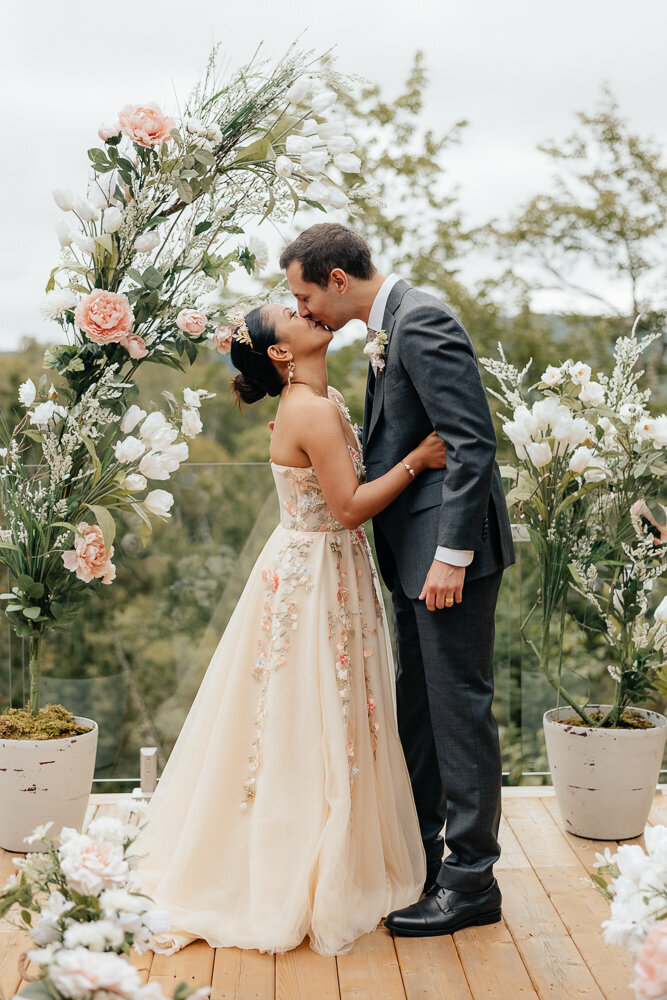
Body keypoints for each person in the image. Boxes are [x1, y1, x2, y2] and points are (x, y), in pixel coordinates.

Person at [129, 302, 447, 956]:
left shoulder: (318, 398)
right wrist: (418, 459)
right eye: (290, 313)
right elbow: (349, 507)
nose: (307, 312)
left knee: (298, 713)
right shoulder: (311, 408)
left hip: (314, 566)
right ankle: (299, 863)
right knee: (312, 712)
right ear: (280, 352)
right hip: (319, 574)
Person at [280, 223, 515, 937]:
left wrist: (452, 555)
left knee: (457, 711)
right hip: (411, 559)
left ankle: (472, 882)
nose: (304, 308)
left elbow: (471, 444)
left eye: (304, 293)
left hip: (447, 562)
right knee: (419, 709)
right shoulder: (388, 329)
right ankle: (418, 862)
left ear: (338, 281)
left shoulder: (422, 320)